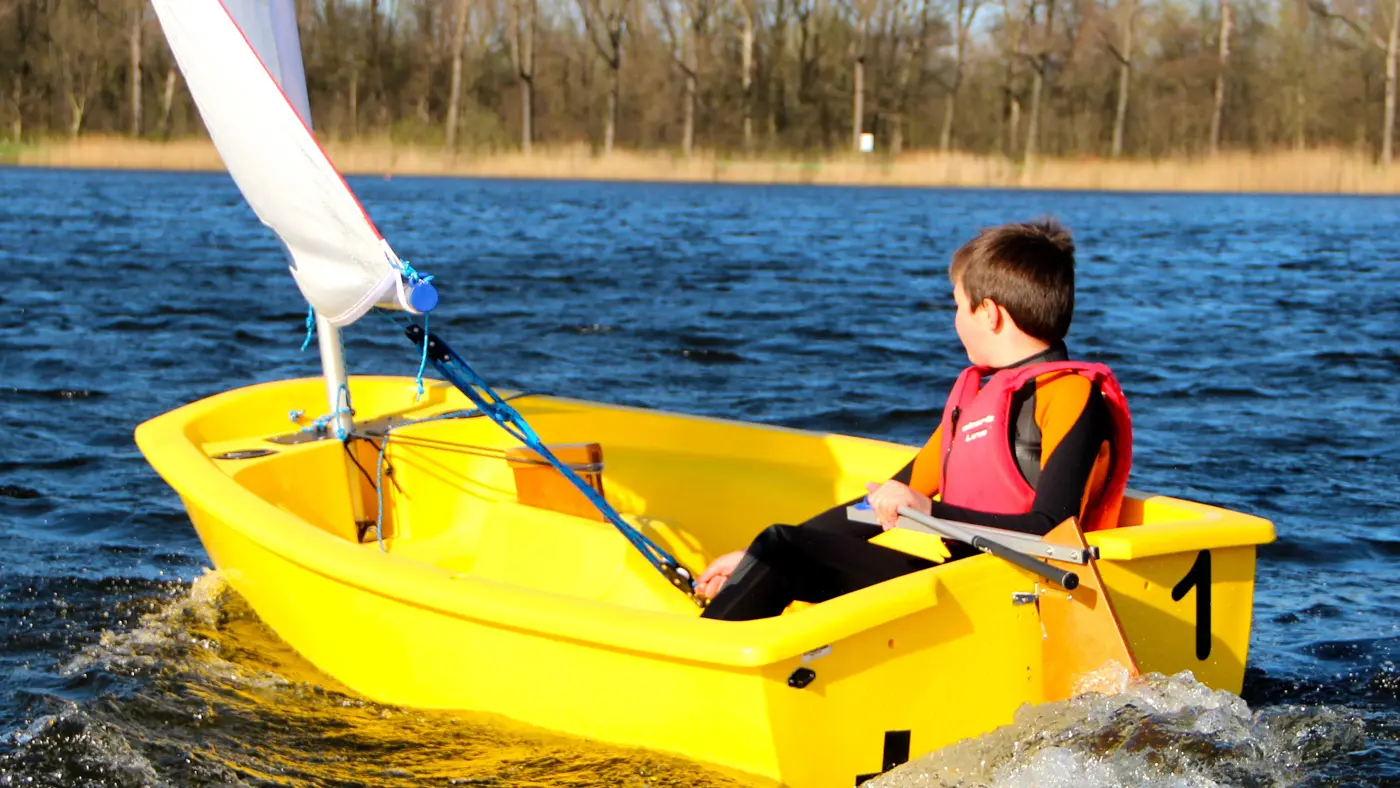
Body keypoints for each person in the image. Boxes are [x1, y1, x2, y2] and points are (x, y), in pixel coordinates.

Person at [697, 218, 1132, 621]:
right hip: (965, 581)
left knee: (783, 549)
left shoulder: (1071, 396)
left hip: (1015, 600)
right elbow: (871, 510)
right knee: (780, 546)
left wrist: (930, 510)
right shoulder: (979, 406)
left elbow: (1051, 531)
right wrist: (752, 559)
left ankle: (702, 659)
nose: (955, 321)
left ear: (989, 313)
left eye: (958, 306)